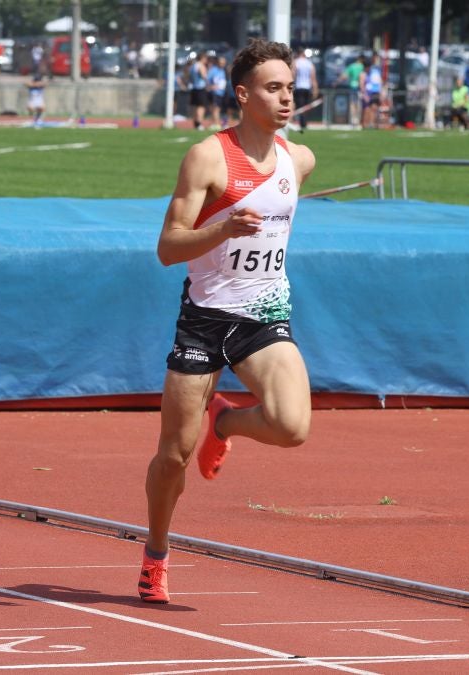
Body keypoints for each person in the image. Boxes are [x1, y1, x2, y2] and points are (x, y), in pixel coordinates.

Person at [139, 37, 316, 605]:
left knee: (293, 426)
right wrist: (222, 229)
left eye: (290, 88)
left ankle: (227, 423)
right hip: (205, 321)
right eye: (273, 88)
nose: (286, 98)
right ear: (243, 95)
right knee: (173, 456)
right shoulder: (207, 158)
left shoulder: (300, 160)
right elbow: (169, 247)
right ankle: (156, 553)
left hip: (264, 316)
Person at [292, 47, 318, 133]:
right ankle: (304, 123)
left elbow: (293, 75)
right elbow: (313, 78)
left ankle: (301, 123)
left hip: (298, 87)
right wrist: (315, 89)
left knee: (299, 106)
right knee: (306, 107)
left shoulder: (296, 62)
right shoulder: (310, 64)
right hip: (307, 87)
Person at [337, 55, 364, 127]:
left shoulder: (352, 66)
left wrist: (336, 82)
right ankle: (358, 120)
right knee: (358, 104)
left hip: (352, 86)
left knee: (352, 104)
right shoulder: (362, 67)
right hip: (360, 87)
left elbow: (344, 76)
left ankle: (353, 120)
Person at [361, 53, 385, 129]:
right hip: (367, 93)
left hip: (375, 93)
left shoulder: (375, 71)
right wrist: (365, 95)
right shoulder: (363, 74)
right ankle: (365, 125)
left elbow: (379, 82)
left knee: (374, 109)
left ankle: (372, 124)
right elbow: (362, 85)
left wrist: (381, 92)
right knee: (366, 109)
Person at [189, 51, 209, 130]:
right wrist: (208, 83)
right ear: (203, 58)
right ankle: (199, 123)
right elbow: (204, 76)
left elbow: (190, 78)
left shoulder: (193, 66)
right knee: (201, 106)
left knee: (195, 106)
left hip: (194, 88)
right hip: (200, 88)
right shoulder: (201, 65)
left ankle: (195, 123)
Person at [207, 55, 228, 130]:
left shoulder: (223, 71)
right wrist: (211, 86)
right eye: (220, 63)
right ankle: (216, 123)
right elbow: (207, 80)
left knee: (219, 109)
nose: (222, 64)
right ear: (217, 63)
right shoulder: (213, 70)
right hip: (215, 93)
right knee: (215, 108)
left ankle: (219, 123)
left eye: (223, 63)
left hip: (222, 93)